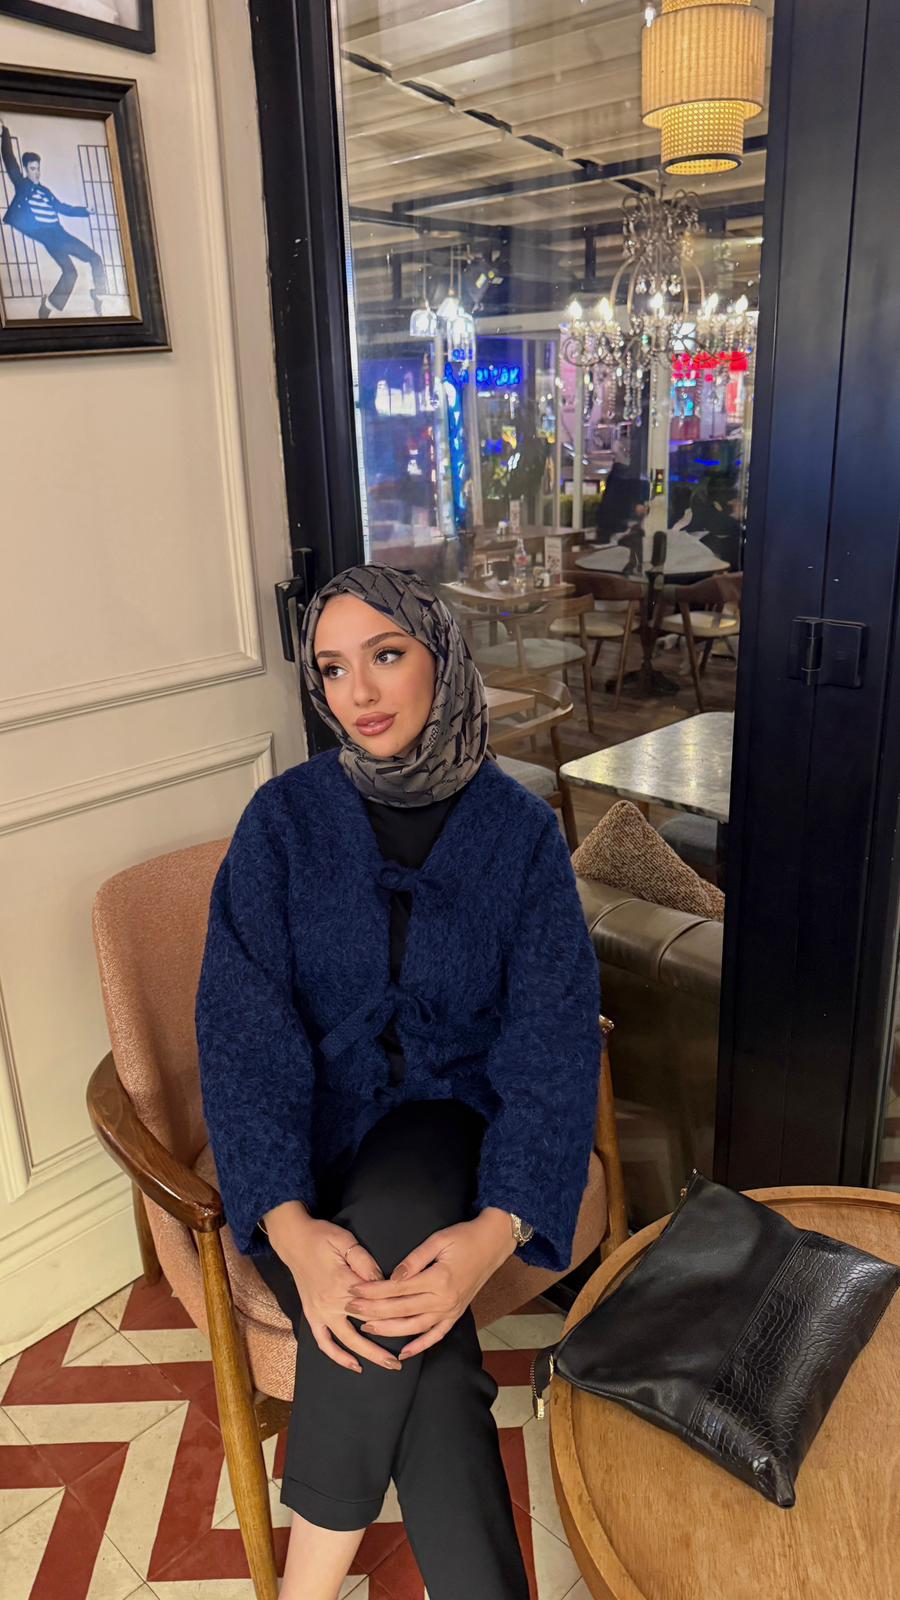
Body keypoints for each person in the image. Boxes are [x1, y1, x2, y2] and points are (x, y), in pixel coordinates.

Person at [195, 562, 603, 1600]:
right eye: (333, 669)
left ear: (442, 658)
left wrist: (497, 1230)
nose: (360, 693)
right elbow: (240, 1037)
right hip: (302, 1146)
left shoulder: (519, 834)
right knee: (431, 1357)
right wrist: (289, 1225)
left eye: (386, 655)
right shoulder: (281, 824)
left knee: (393, 1232)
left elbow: (553, 1044)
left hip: (442, 1128)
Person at [0, 113, 108, 318]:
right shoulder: (22, 186)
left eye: (38, 169)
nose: (36, 173)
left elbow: (63, 208)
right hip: (47, 235)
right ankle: (52, 305)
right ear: (26, 170)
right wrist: (4, 132)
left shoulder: (46, 191)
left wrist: (85, 211)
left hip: (60, 234)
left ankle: (59, 303)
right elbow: (9, 159)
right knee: (76, 268)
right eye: (32, 169)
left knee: (82, 266)